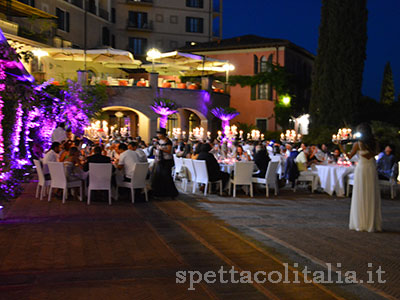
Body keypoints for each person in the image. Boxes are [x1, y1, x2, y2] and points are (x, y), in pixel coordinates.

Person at [338, 123, 381, 232]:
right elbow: (375, 153)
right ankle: (371, 222)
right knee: (371, 192)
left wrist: (341, 147)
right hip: (371, 167)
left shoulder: (358, 143)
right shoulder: (374, 142)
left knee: (361, 192)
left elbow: (349, 156)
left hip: (362, 168)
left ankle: (361, 222)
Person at [151, 128, 178, 197]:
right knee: (159, 176)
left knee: (166, 175)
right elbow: (155, 149)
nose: (158, 135)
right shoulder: (158, 141)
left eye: (159, 134)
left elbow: (169, 150)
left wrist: (161, 149)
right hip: (159, 160)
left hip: (167, 160)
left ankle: (170, 192)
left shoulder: (168, 141)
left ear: (163, 134)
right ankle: (159, 192)